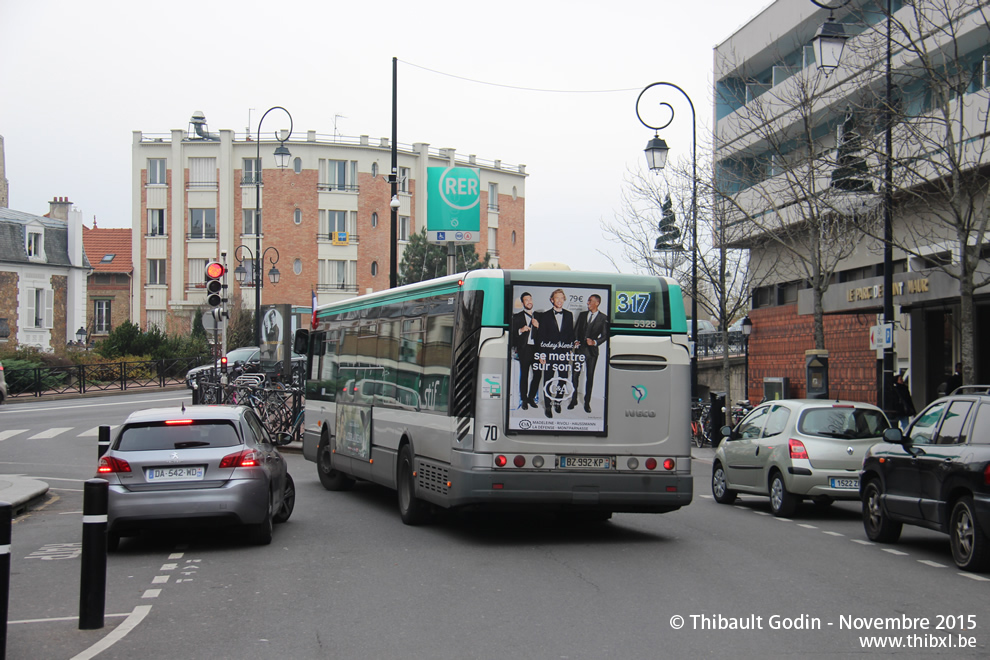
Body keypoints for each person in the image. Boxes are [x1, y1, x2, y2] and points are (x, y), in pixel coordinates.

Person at [535, 288, 574, 418]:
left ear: (564, 300)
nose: (559, 300)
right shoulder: (545, 315)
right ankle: (547, 406)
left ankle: (557, 401)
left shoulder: (569, 315)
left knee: (563, 379)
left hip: (563, 354)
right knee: (548, 380)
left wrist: (570, 349)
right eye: (556, 298)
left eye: (561, 298)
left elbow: (570, 334)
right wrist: (542, 354)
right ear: (552, 300)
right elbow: (540, 336)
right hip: (549, 354)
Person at [568, 294, 609, 413]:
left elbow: (605, 335)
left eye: (590, 301)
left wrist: (595, 342)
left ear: (597, 303)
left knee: (589, 377)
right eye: (588, 301)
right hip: (580, 350)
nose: (587, 303)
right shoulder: (582, 315)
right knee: (575, 375)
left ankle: (587, 403)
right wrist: (575, 341)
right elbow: (576, 331)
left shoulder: (603, 318)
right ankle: (574, 399)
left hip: (592, 352)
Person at [510, 292, 541, 410]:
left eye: (530, 299)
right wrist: (520, 330)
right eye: (526, 300)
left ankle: (531, 397)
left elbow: (545, 335)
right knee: (524, 375)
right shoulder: (517, 317)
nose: (529, 302)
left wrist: (538, 326)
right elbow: (512, 336)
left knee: (538, 374)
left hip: (537, 349)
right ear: (522, 303)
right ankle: (523, 399)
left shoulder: (540, 316)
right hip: (525, 349)